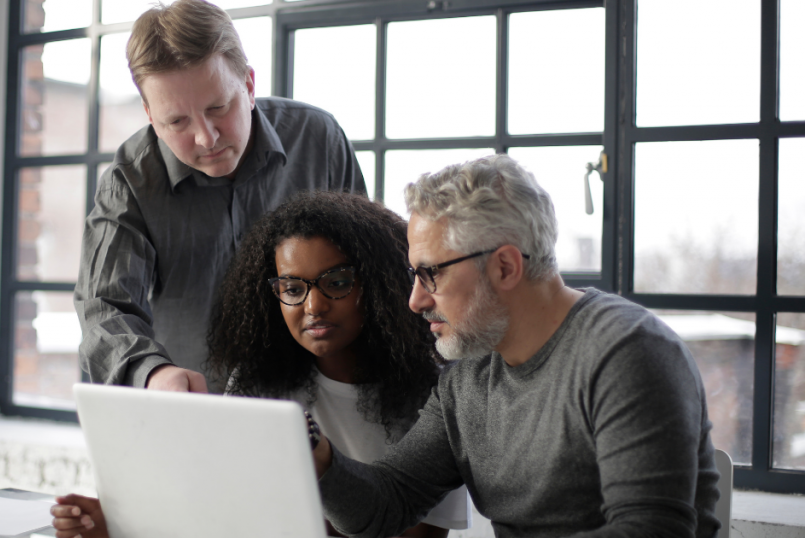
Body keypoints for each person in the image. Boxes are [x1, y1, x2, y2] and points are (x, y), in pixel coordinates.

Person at [312, 155, 722, 537]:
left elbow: (650, 529)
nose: (415, 300)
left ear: (505, 267)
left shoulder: (628, 353)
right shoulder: (469, 374)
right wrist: (319, 459)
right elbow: (388, 501)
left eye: (430, 274)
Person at [51, 192, 471, 538]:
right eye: (291, 287)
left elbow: (414, 534)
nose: (314, 306)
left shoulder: (433, 394)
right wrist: (122, 526)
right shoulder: (258, 382)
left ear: (378, 285)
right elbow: (220, 513)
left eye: (337, 282)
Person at [74, 0, 366, 394]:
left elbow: (368, 268)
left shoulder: (319, 138)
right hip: (195, 408)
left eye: (218, 107)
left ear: (248, 85)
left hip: (328, 400)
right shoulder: (129, 179)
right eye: (177, 121)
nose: (205, 137)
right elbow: (104, 307)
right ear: (149, 113)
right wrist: (152, 372)